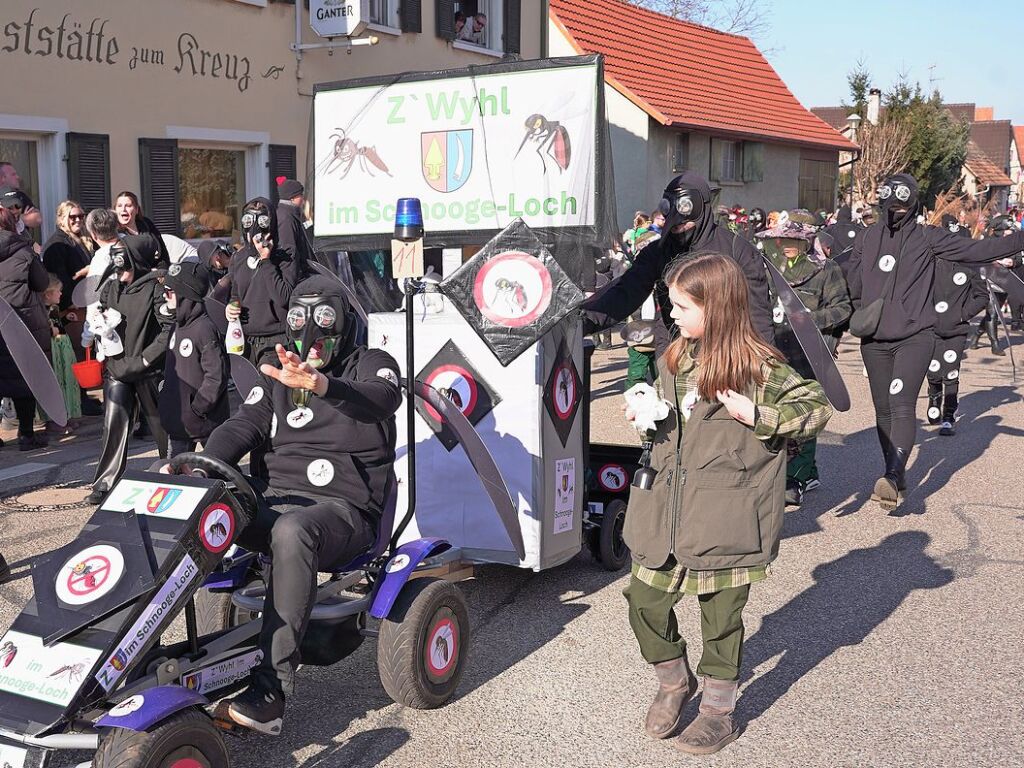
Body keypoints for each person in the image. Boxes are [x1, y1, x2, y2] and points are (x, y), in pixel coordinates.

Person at [171, 275, 402, 735]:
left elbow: (383, 398)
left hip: (344, 512)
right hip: (277, 498)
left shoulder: (370, 362)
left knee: (292, 531)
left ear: (345, 322)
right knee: (197, 501)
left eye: (324, 318)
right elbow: (243, 425)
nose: (312, 330)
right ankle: (129, 652)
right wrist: (203, 467)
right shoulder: (277, 370)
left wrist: (323, 385)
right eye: (300, 317)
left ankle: (271, 690)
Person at [622, 253, 832, 755]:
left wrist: (758, 413)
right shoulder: (675, 357)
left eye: (680, 306)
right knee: (644, 603)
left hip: (729, 519)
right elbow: (673, 420)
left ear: (714, 308)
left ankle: (718, 711)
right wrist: (645, 410)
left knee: (722, 621)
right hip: (666, 511)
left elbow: (817, 408)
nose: (672, 314)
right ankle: (675, 682)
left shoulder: (760, 366)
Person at [841, 174, 1024, 510]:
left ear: (913, 206)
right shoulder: (867, 238)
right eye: (890, 204)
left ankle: (894, 476)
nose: (896, 211)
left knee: (900, 403)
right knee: (883, 410)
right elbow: (850, 283)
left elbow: (980, 250)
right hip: (873, 340)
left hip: (916, 336)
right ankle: (893, 474)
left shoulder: (928, 238)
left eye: (902, 205)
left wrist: (1020, 238)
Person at [582, 172, 774, 351]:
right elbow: (626, 291)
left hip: (726, 354)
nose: (678, 224)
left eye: (684, 212)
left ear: (703, 206)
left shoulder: (737, 250)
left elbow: (758, 316)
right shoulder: (659, 251)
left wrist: (765, 368)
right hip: (675, 354)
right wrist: (582, 321)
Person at [755, 218, 851, 507]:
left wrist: (811, 322)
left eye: (793, 241)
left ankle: (796, 477)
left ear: (806, 242)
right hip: (773, 349)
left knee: (802, 413)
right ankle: (801, 472)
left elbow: (842, 308)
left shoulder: (826, 269)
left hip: (810, 353)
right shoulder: (767, 269)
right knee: (774, 412)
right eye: (780, 241)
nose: (785, 247)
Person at [85, 234, 173, 504]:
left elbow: (169, 328)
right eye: (118, 268)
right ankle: (105, 482)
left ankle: (172, 473)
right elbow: (102, 315)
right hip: (118, 367)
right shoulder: (113, 287)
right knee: (114, 423)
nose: (121, 274)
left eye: (126, 268)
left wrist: (147, 359)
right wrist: (100, 329)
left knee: (162, 427)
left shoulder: (157, 288)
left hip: (148, 369)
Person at [159, 262, 229, 457]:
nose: (165, 295)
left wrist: (198, 407)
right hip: (179, 420)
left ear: (185, 294)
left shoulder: (204, 328)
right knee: (178, 475)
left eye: (170, 290)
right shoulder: (176, 327)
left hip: (206, 420)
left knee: (219, 470)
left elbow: (216, 374)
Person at [926, 217, 988, 437]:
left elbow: (982, 296)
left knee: (950, 370)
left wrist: (963, 314)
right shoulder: (931, 263)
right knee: (933, 369)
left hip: (957, 329)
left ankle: (949, 416)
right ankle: (933, 400)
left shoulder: (971, 266)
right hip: (931, 327)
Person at [225, 197, 303, 368]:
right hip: (246, 341)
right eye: (248, 220)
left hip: (277, 340)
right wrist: (231, 308)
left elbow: (284, 297)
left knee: (270, 393)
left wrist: (266, 260)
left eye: (261, 221)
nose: (254, 229)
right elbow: (236, 294)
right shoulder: (239, 257)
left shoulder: (285, 254)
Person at [42, 201, 103, 417]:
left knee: (86, 351)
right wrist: (70, 303)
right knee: (77, 354)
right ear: (61, 219)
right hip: (71, 306)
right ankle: (80, 398)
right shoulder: (57, 244)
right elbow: (58, 277)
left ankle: (85, 395)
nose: (77, 220)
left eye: (80, 216)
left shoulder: (84, 240)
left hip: (86, 303)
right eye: (72, 217)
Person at [0, 203, 49, 450]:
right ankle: (26, 435)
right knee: (24, 378)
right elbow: (41, 283)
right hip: (22, 322)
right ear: (11, 224)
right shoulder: (24, 251)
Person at [968, 215, 1021, 354]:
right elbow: (978, 257)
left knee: (994, 312)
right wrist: (992, 261)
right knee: (992, 311)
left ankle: (976, 335)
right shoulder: (988, 241)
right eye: (1007, 228)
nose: (1010, 231)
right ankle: (995, 344)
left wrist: (1012, 262)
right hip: (989, 280)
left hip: (1005, 281)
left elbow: (1019, 259)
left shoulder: (1013, 242)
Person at [41, 273, 82, 434]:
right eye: (58, 291)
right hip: (54, 350)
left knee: (66, 380)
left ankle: (67, 414)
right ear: (48, 294)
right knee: (56, 382)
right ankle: (53, 420)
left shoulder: (55, 309)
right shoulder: (42, 311)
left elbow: (58, 326)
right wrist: (50, 330)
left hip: (63, 348)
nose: (61, 294)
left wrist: (66, 320)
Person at [114, 191, 168, 266]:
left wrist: (162, 270)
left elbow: (163, 254)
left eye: (128, 206)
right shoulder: (114, 232)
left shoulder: (146, 224)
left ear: (136, 210)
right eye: (119, 206)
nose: (123, 209)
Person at [275, 179, 316, 271]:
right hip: (296, 273)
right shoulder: (286, 218)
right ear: (292, 198)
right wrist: (292, 276)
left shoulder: (291, 215)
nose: (303, 199)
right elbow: (289, 250)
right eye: (300, 195)